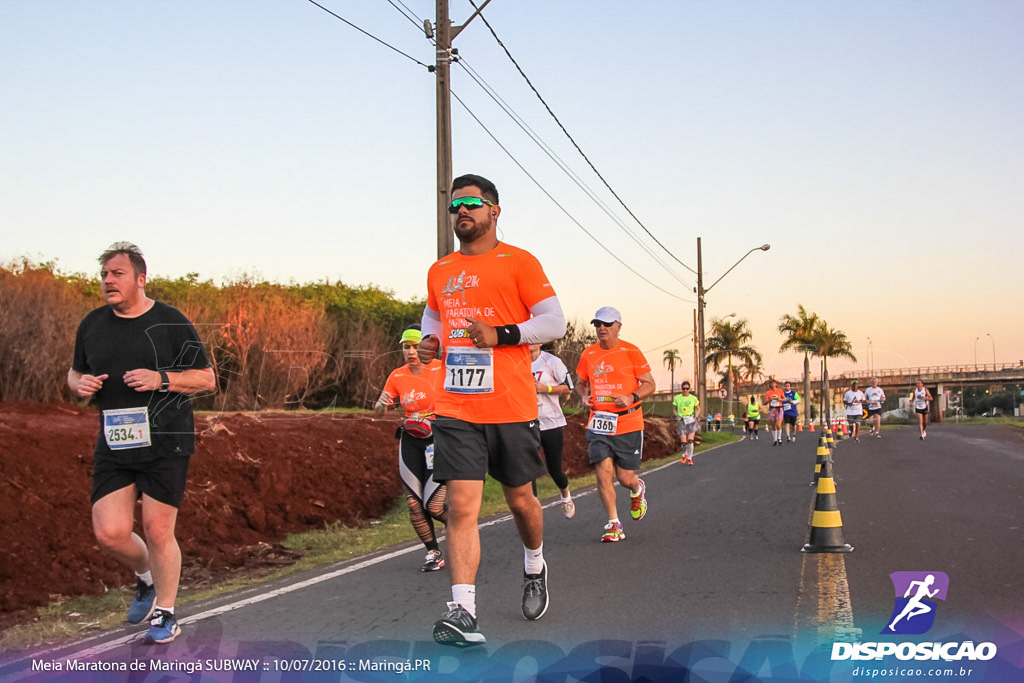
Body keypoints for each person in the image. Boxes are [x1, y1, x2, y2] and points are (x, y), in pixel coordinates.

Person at [420, 174, 566, 646]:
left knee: (521, 500)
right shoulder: (439, 269)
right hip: (456, 406)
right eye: (454, 206)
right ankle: (464, 611)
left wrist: (501, 335)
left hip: (509, 404)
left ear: (494, 211)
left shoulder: (519, 262)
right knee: (462, 506)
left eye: (471, 204)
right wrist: (431, 342)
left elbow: (552, 321)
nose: (462, 211)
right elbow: (435, 316)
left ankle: (534, 563)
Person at [67, 242, 216, 645]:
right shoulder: (93, 324)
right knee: (110, 533)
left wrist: (160, 379)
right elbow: (74, 373)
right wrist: (79, 385)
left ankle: (166, 613)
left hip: (166, 438)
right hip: (116, 439)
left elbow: (206, 378)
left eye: (116, 274)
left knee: (156, 527)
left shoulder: (170, 321)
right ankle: (147, 580)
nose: (108, 282)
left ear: (140, 279)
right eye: (104, 275)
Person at [575, 306, 655, 543]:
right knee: (602, 472)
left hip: (628, 422)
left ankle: (637, 489)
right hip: (599, 422)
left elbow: (650, 384)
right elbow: (580, 383)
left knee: (624, 477)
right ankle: (614, 524)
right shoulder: (588, 354)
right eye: (597, 324)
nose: (601, 328)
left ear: (618, 326)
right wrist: (583, 396)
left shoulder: (631, 351)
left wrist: (631, 397)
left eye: (607, 324)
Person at [375, 326, 448, 572]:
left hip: (439, 439)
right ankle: (433, 553)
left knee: (434, 506)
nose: (411, 352)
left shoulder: (442, 368)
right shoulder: (397, 376)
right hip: (411, 440)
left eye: (416, 346)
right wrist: (381, 405)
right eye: (407, 347)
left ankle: (462, 531)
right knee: (415, 504)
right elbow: (380, 409)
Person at [530, 343, 575, 518]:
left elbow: (568, 387)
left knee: (554, 469)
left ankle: (566, 495)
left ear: (541, 341)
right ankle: (531, 509)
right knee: (529, 468)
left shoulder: (551, 361)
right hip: (528, 422)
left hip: (551, 422)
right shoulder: (518, 361)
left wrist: (545, 388)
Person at [672, 381, 700, 465]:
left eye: (687, 389)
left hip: (691, 419)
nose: (685, 390)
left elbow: (698, 408)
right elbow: (674, 408)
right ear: (681, 389)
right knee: (684, 442)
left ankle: (690, 458)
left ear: (689, 389)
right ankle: (684, 454)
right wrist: (677, 415)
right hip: (682, 421)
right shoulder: (677, 398)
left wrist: (697, 415)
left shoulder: (693, 398)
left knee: (690, 440)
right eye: (683, 389)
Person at [764, 378, 786, 446]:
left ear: (776, 384)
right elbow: (764, 403)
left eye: (774, 383)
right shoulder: (768, 393)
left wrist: (779, 399)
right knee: (773, 425)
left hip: (779, 408)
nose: (773, 384)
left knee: (778, 424)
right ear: (770, 385)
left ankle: (779, 438)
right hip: (772, 409)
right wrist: (769, 400)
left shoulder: (780, 391)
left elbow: (784, 399)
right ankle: (775, 439)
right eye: (771, 383)